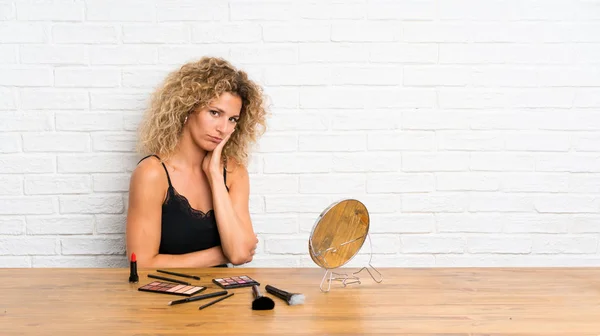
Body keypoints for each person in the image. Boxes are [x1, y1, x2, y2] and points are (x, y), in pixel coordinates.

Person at [126, 56, 267, 268]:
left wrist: (215, 176)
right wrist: (223, 254)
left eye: (232, 119)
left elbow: (240, 255)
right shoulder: (152, 173)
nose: (223, 128)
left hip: (224, 297)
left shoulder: (234, 172)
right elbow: (142, 263)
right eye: (214, 113)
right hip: (163, 296)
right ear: (187, 109)